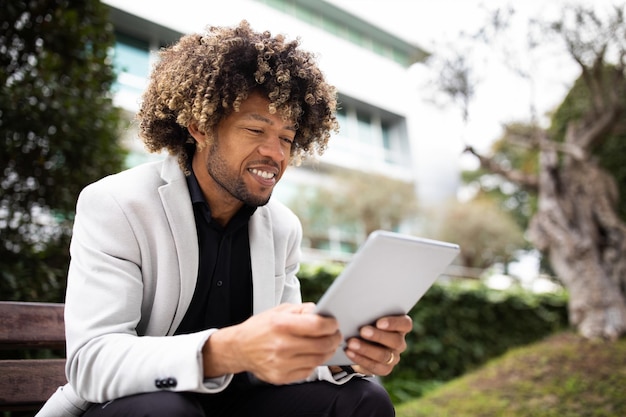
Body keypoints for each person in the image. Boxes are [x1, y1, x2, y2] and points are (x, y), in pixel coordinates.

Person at [37, 21, 412, 417]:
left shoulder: (282, 228)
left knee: (364, 398)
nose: (276, 153)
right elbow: (92, 363)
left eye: (286, 138)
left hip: (237, 404)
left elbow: (279, 357)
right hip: (129, 406)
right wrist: (227, 350)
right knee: (170, 411)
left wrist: (342, 356)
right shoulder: (116, 204)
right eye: (256, 129)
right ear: (200, 127)